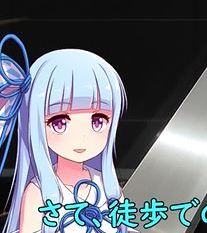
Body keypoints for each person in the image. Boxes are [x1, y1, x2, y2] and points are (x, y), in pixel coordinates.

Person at [0, 36, 129, 233]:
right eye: (59, 123)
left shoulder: (108, 188)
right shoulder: (39, 192)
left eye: (98, 121)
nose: (82, 137)